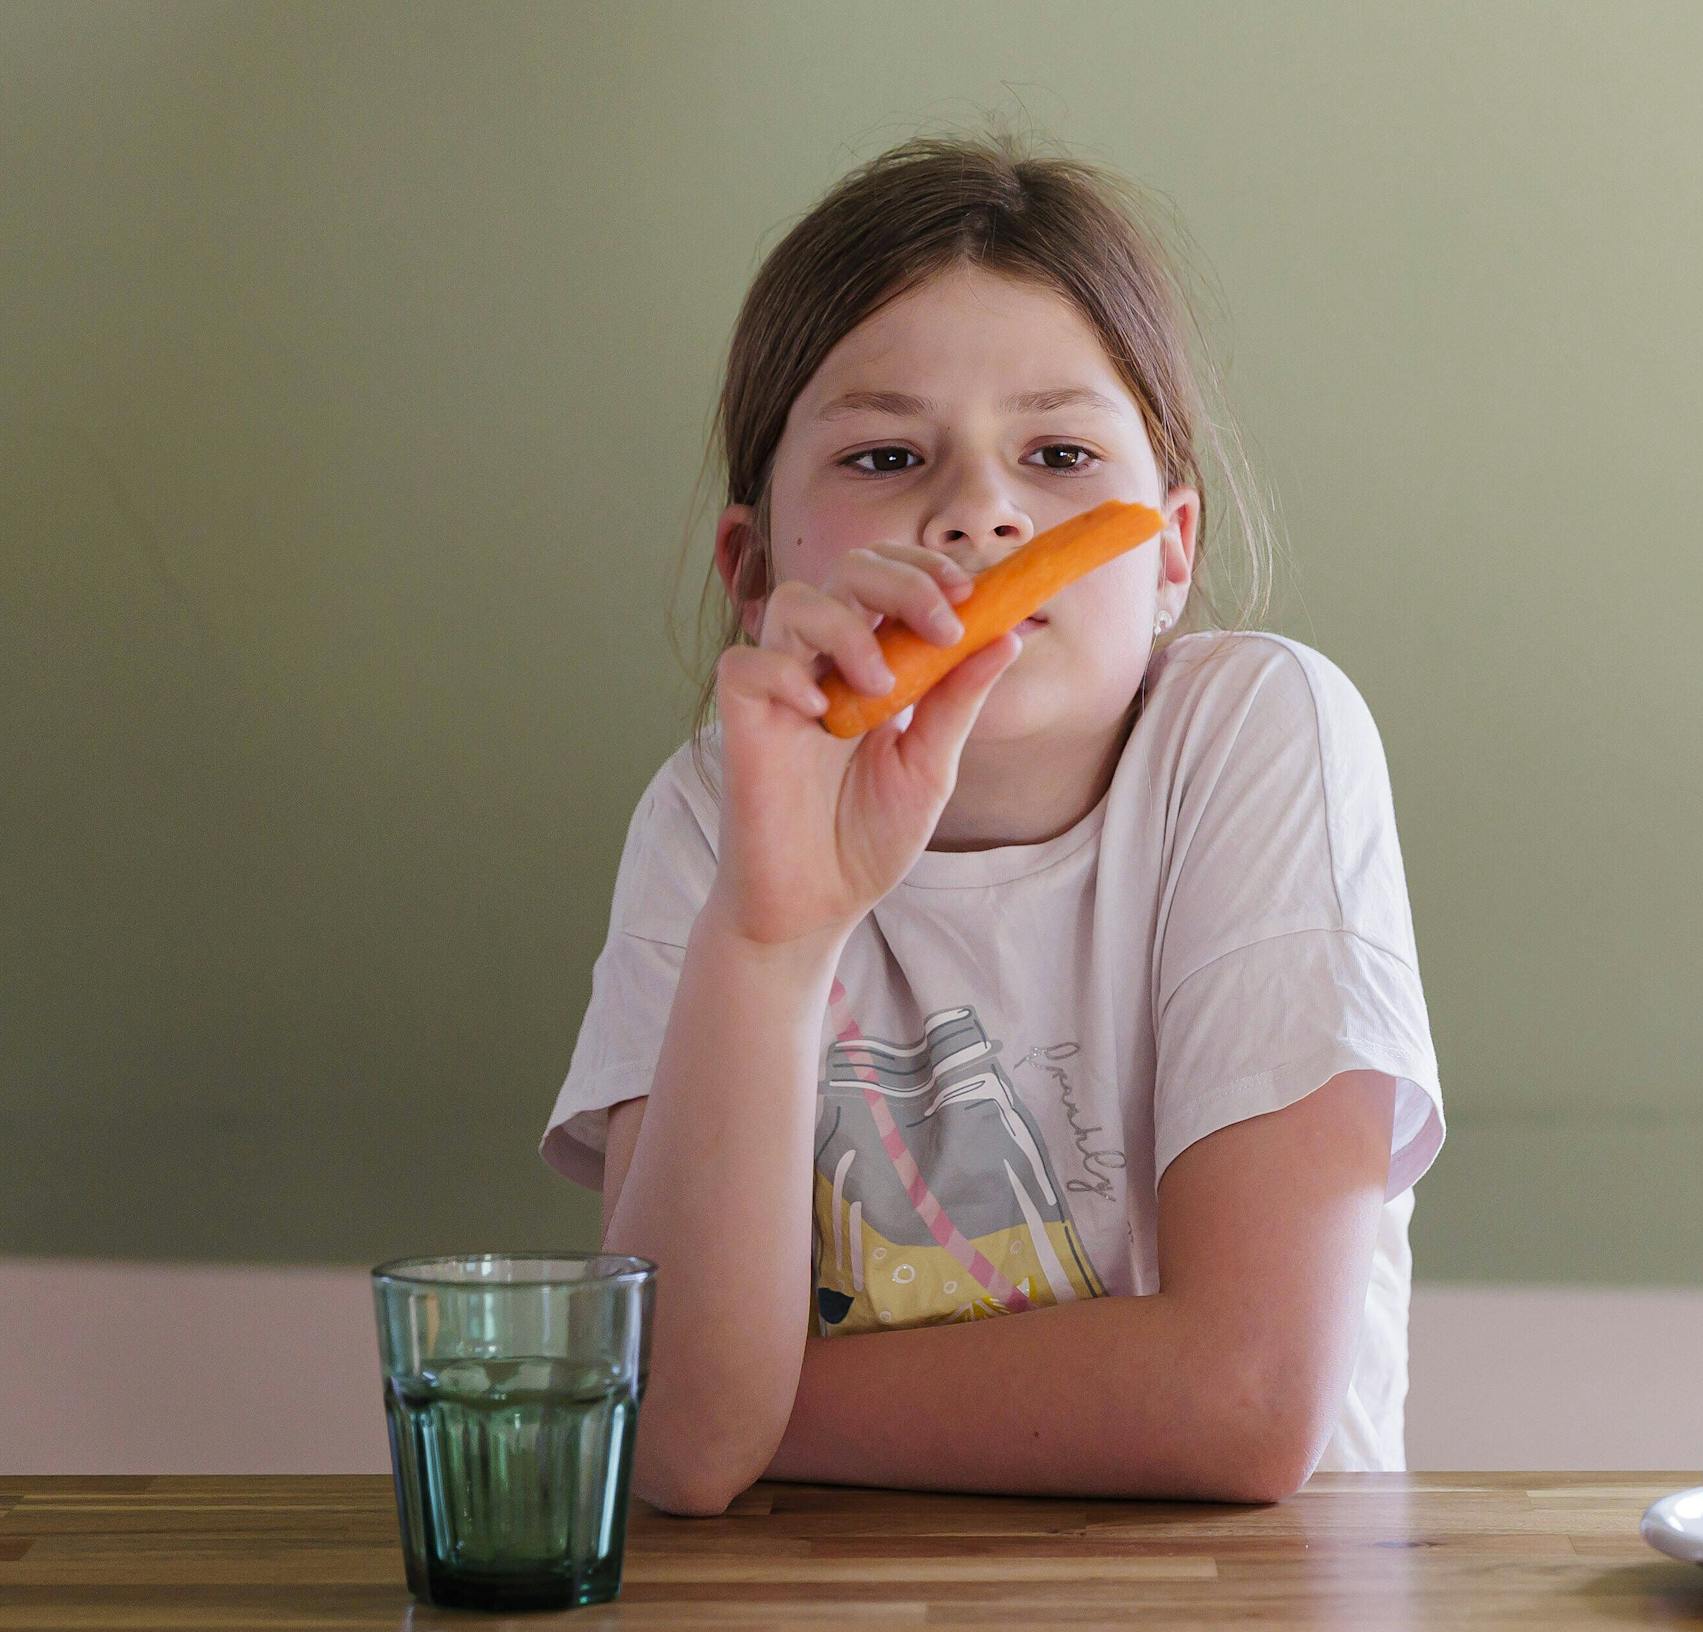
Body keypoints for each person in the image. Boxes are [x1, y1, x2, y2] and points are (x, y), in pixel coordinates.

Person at [540, 125, 1445, 1517]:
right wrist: (772, 938)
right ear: (755, 567)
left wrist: (754, 1405)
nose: (981, 513)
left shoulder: (1259, 735)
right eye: (889, 455)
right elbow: (667, 1450)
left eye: (1062, 452)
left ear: (1171, 551)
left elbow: (1246, 1401)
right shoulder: (716, 815)